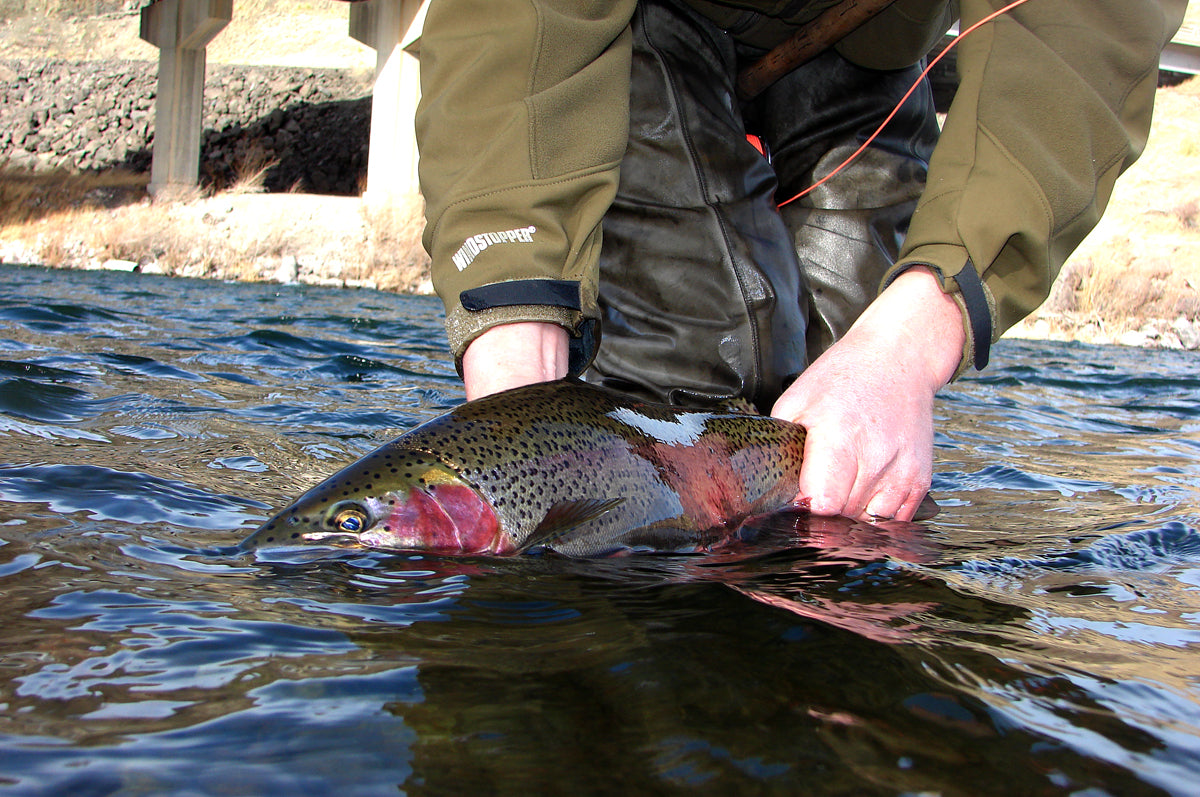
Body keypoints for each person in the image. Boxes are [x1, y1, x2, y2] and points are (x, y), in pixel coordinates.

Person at [413, 0, 1185, 522]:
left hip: (878, 31)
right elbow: (514, 24)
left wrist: (909, 344)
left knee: (850, 448)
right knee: (698, 352)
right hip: (635, 22)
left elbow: (1082, 28)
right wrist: (511, 324)